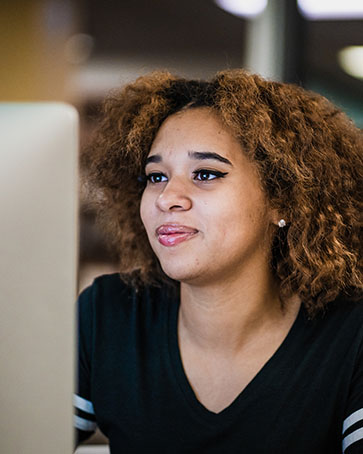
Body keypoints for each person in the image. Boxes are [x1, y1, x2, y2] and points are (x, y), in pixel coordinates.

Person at [74, 69, 362, 453]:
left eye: (205, 173)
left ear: (283, 200)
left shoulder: (351, 334)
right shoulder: (108, 315)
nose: (166, 198)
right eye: (155, 177)